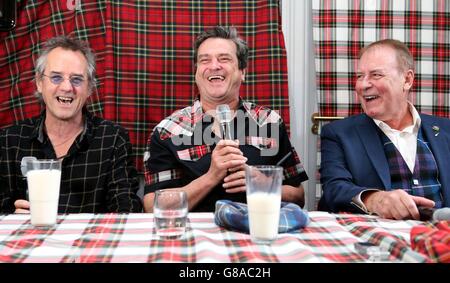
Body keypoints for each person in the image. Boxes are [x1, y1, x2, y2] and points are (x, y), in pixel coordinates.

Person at [143, 26, 308, 212]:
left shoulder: (269, 122)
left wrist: (262, 183)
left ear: (242, 71)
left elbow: (298, 196)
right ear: (196, 73)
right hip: (193, 237)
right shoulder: (168, 130)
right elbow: (152, 206)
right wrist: (212, 176)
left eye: (224, 59)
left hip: (253, 232)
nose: (214, 66)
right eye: (204, 60)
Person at [0, 35, 142, 213]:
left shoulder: (112, 138)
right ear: (39, 82)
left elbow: (126, 210)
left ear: (89, 87)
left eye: (76, 79)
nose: (67, 87)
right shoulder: (9, 140)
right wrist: (10, 219)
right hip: (29, 240)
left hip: (92, 240)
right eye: (56, 78)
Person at [319, 39, 450, 220]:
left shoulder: (446, 130)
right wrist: (375, 199)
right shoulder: (337, 134)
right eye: (359, 76)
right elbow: (334, 190)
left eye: (376, 75)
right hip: (378, 238)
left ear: (407, 79)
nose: (363, 85)